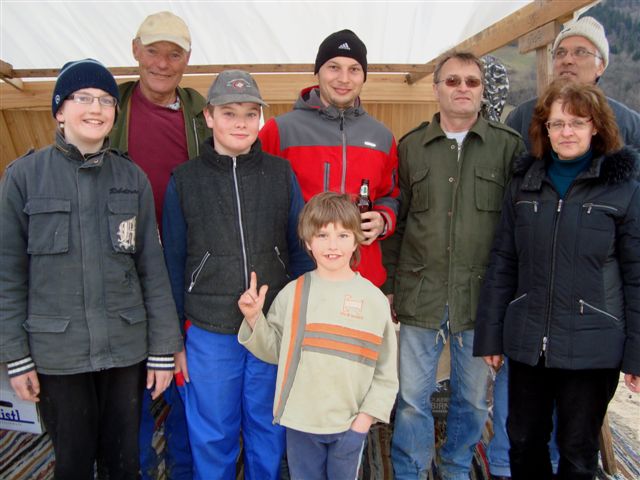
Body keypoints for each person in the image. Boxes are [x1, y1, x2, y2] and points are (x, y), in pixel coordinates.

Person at [0, 59, 183, 479]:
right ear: (60, 110)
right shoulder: (23, 178)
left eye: (106, 100)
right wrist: (16, 358)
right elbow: (7, 277)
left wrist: (161, 351)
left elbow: (151, 270)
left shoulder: (131, 178)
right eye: (83, 98)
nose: (96, 108)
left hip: (124, 348)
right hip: (58, 353)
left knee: (125, 461)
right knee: (74, 462)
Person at [491, 16, 640, 480]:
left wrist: (637, 353)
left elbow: (636, 274)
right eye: (557, 123)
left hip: (592, 343)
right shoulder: (524, 184)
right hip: (529, 340)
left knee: (577, 451)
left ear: (596, 128)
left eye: (577, 123)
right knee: (522, 441)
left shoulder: (622, 188)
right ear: (544, 129)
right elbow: (503, 262)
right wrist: (492, 336)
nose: (567, 132)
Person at [162, 69, 313, 480]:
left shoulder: (281, 174)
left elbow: (300, 251)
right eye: (229, 113)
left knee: (268, 425)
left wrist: (300, 320)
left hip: (271, 327)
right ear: (209, 116)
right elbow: (172, 263)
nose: (241, 123)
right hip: (209, 330)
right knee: (213, 432)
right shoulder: (185, 180)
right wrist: (174, 340)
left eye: (250, 113)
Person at [382, 51, 525, 480]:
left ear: (482, 91)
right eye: (453, 81)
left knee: (473, 399)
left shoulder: (508, 147)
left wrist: (513, 293)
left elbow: (519, 227)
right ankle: (410, 469)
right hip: (420, 291)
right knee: (412, 398)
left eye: (472, 82)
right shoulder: (411, 147)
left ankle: (455, 466)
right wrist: (390, 285)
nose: (462, 88)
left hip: (481, 298)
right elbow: (398, 222)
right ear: (436, 89)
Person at [237, 191, 399, 480]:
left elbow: (386, 373)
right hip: (301, 424)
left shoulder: (373, 300)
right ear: (308, 242)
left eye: (343, 235)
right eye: (322, 235)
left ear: (356, 240)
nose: (332, 245)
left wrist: (363, 422)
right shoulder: (293, 294)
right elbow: (275, 351)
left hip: (350, 424)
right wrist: (253, 318)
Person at [110, 11, 209, 478]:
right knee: (129, 380)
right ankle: (138, 466)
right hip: (123, 263)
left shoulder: (200, 111)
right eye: (153, 52)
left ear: (187, 60)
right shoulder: (109, 106)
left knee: (186, 375)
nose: (162, 64)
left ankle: (184, 466)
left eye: (174, 54)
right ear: (135, 51)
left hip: (184, 263)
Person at [259, 29, 400, 288]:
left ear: (363, 76)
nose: (343, 79)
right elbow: (258, 199)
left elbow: (390, 194)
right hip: (301, 276)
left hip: (363, 279)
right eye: (334, 67)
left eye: (354, 69)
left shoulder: (382, 136)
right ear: (318, 71)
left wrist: (383, 219)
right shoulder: (279, 131)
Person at [506, 16, 640, 152]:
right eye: (560, 53)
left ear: (600, 66)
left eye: (580, 52)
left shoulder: (630, 125)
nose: (567, 60)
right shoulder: (521, 118)